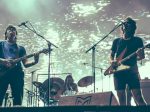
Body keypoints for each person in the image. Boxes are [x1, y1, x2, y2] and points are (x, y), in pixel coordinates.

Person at [109, 17, 147, 105]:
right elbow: (111, 55)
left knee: (138, 96)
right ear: (122, 27)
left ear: (133, 28)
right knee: (121, 97)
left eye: (129, 24)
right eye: (125, 24)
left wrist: (139, 53)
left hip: (132, 72)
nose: (126, 25)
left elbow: (142, 57)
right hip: (118, 72)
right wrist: (112, 61)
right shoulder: (116, 41)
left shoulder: (137, 40)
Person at [0, 25, 40, 106]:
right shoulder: (0, 44)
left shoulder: (21, 48)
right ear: (6, 34)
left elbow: (25, 64)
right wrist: (2, 60)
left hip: (17, 75)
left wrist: (35, 61)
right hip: (2, 74)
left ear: (16, 34)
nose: (11, 31)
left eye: (13, 30)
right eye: (9, 29)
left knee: (18, 99)